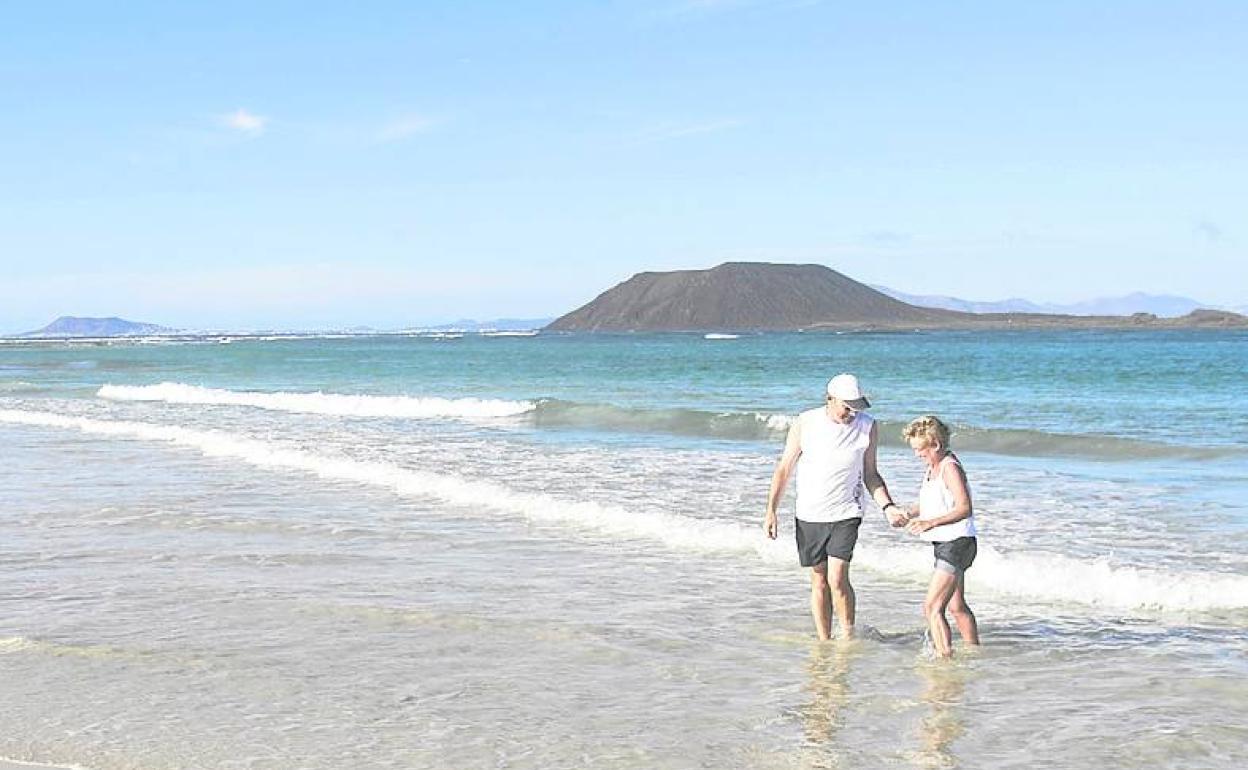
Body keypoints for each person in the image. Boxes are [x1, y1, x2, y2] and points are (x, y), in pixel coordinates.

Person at [765, 374, 906, 641]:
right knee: (819, 579)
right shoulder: (805, 422)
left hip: (847, 512)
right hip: (809, 512)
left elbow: (871, 474)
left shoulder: (867, 426)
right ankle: (824, 639)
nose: (851, 413)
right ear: (830, 399)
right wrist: (771, 510)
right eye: (846, 406)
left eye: (856, 407)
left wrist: (887, 506)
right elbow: (784, 468)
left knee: (838, 577)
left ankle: (847, 637)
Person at [901, 415, 980, 658]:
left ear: (935, 444)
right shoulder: (932, 467)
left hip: (957, 543)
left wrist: (930, 522)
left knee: (932, 607)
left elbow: (964, 507)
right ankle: (974, 652)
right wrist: (907, 513)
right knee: (956, 606)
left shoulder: (949, 467)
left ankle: (946, 660)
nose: (917, 455)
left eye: (919, 449)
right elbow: (931, 503)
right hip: (948, 543)